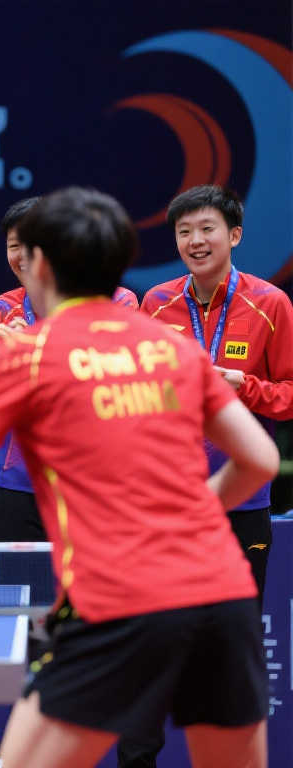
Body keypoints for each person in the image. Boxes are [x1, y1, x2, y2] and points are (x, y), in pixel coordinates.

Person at [0, 187, 277, 768]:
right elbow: (260, 460)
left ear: (37, 265)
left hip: (118, 599)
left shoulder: (28, 354)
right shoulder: (172, 347)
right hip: (221, 592)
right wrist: (185, 521)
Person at [117, 185, 293, 768]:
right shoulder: (155, 305)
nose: (195, 241)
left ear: (234, 235)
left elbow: (291, 395)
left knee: (230, 654)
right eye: (184, 231)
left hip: (241, 504)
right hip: (163, 506)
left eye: (207, 229)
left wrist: (248, 388)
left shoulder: (271, 304)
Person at [0, 197, 137, 549]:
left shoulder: (120, 302)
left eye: (35, 245)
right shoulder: (0, 310)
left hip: (93, 481)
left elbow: (110, 377)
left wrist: (33, 349)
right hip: (19, 483)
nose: (24, 256)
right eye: (14, 246)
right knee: (22, 585)